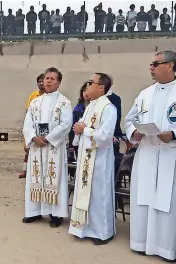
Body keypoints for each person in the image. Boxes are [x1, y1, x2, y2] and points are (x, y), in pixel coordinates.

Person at [124, 50, 176, 261]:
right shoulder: (145, 93)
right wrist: (133, 132)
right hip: (146, 153)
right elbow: (129, 119)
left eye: (155, 63)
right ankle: (140, 242)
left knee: (168, 200)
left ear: (170, 65)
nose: (151, 67)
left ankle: (166, 248)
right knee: (143, 197)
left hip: (171, 155)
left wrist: (174, 134)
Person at [69, 73, 118, 245]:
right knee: (84, 192)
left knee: (98, 195)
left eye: (91, 82)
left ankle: (102, 232)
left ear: (101, 87)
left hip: (99, 160)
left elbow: (105, 135)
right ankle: (82, 228)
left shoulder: (108, 108)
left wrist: (85, 131)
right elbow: (82, 126)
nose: (87, 85)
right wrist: (78, 130)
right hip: (86, 157)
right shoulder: (90, 106)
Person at [22, 67, 72, 228]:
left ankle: (56, 215)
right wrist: (33, 138)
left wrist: (49, 138)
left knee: (53, 178)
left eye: (52, 79)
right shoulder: (35, 102)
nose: (48, 81)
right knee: (35, 177)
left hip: (53, 148)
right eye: (46, 78)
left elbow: (66, 125)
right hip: (37, 147)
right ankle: (34, 212)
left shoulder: (64, 102)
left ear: (58, 83)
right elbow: (27, 123)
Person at [19, 74, 45, 178]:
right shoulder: (33, 95)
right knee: (29, 149)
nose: (41, 83)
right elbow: (27, 111)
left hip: (43, 127)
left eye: (42, 81)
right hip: (33, 125)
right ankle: (26, 171)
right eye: (39, 81)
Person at [68, 82, 90, 159]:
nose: (86, 93)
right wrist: (71, 145)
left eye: (87, 90)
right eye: (84, 90)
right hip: (78, 141)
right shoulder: (77, 109)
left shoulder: (95, 107)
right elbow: (72, 127)